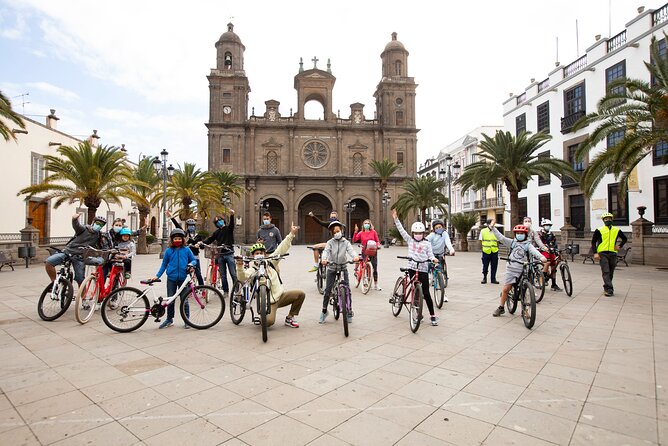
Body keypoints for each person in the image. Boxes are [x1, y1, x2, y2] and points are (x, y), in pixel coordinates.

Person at [236, 223, 304, 327]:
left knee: (300, 294)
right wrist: (240, 266)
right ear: (253, 255)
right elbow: (242, 277)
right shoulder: (253, 269)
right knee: (269, 322)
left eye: (261, 253)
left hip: (280, 296)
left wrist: (291, 234)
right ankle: (263, 315)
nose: (259, 255)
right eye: (256, 253)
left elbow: (281, 248)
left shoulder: (271, 262)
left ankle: (290, 317)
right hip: (268, 302)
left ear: (265, 254)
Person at [488, 220, 547, 317]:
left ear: (525, 234)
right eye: (518, 233)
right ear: (515, 234)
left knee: (525, 291)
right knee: (506, 288)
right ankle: (501, 307)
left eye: (522, 233)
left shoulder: (528, 244)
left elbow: (534, 251)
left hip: (523, 269)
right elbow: (501, 237)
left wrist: (541, 257)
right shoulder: (512, 243)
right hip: (511, 269)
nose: (520, 235)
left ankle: (525, 310)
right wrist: (493, 228)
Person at [392, 209, 440, 326]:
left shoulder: (427, 243)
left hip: (423, 268)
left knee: (426, 293)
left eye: (420, 233)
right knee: (415, 290)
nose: (418, 235)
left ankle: (433, 316)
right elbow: (401, 230)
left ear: (423, 233)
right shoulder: (410, 240)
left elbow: (430, 254)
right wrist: (395, 219)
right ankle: (418, 312)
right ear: (413, 233)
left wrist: (433, 259)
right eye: (416, 233)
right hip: (412, 268)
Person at [150, 228, 197, 329]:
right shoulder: (168, 251)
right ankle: (169, 319)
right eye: (175, 239)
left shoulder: (187, 250)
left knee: (185, 300)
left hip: (184, 280)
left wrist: (191, 264)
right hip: (171, 279)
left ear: (183, 239)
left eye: (179, 238)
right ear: (172, 240)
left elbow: (194, 260)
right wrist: (157, 276)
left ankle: (186, 320)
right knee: (170, 300)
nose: (177, 240)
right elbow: (164, 265)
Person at [45, 214, 108, 286]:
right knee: (49, 262)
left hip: (80, 257)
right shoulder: (84, 228)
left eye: (101, 225)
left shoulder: (98, 235)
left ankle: (81, 296)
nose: (99, 226)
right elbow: (77, 225)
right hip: (68, 253)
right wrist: (74, 219)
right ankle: (53, 283)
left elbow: (102, 247)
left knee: (80, 280)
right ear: (93, 222)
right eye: (98, 223)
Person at [319, 220, 359, 324]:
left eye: (338, 230)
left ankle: (349, 311)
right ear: (332, 233)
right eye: (335, 231)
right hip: (332, 268)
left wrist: (355, 257)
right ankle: (324, 311)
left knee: (347, 290)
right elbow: (326, 252)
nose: (337, 232)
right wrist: (324, 259)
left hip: (343, 267)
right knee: (327, 291)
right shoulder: (330, 243)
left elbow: (351, 251)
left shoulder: (346, 242)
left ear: (341, 230)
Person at [592, 212, 627, 297]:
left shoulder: (617, 230)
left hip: (613, 253)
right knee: (606, 271)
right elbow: (593, 242)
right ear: (603, 220)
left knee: (611, 271)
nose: (608, 220)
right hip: (602, 253)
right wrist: (595, 253)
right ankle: (609, 289)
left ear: (612, 219)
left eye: (609, 218)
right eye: (606, 219)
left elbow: (624, 238)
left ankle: (606, 286)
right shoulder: (599, 230)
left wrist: (619, 246)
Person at [201, 211, 236, 298]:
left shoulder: (228, 229)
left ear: (223, 220)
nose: (219, 222)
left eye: (220, 220)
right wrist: (201, 243)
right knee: (223, 275)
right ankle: (226, 291)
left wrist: (232, 215)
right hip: (220, 255)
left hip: (229, 253)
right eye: (217, 222)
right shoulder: (217, 232)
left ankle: (237, 290)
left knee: (233, 274)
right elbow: (210, 239)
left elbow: (232, 224)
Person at [167, 211, 204, 285]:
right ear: (187, 226)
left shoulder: (198, 236)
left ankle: (202, 287)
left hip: (195, 256)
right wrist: (172, 218)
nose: (191, 227)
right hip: (186, 257)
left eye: (193, 225)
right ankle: (188, 287)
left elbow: (202, 246)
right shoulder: (185, 235)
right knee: (186, 273)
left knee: (198, 273)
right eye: (190, 225)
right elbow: (178, 226)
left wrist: (199, 244)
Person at [426, 219, 455, 301]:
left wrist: (451, 249)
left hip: (440, 256)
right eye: (436, 227)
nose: (439, 228)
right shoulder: (432, 235)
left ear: (443, 227)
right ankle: (426, 283)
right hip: (431, 255)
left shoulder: (445, 234)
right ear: (434, 229)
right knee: (426, 271)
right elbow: (425, 241)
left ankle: (443, 295)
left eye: (440, 227)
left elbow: (448, 242)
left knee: (439, 274)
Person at [352, 219, 382, 290]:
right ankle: (365, 279)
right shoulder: (361, 233)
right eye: (365, 223)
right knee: (365, 266)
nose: (367, 225)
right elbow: (354, 240)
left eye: (368, 223)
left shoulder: (373, 232)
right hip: (364, 251)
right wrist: (355, 232)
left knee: (374, 268)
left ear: (370, 225)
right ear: (363, 225)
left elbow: (377, 241)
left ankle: (375, 284)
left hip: (373, 251)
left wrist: (378, 245)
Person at [538, 219, 561, 291]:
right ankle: (544, 278)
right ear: (543, 226)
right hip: (543, 251)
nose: (548, 227)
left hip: (551, 251)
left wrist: (556, 250)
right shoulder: (540, 234)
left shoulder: (552, 234)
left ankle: (554, 284)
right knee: (547, 262)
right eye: (546, 225)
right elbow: (538, 243)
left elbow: (554, 243)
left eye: (549, 225)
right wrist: (544, 247)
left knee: (554, 265)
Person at [478, 219, 499, 284]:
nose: (492, 225)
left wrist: (497, 247)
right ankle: (484, 277)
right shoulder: (483, 231)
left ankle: (493, 279)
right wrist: (482, 248)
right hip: (486, 251)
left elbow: (498, 240)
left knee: (494, 266)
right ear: (488, 224)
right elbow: (480, 240)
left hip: (494, 250)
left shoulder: (496, 231)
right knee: (485, 265)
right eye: (491, 223)